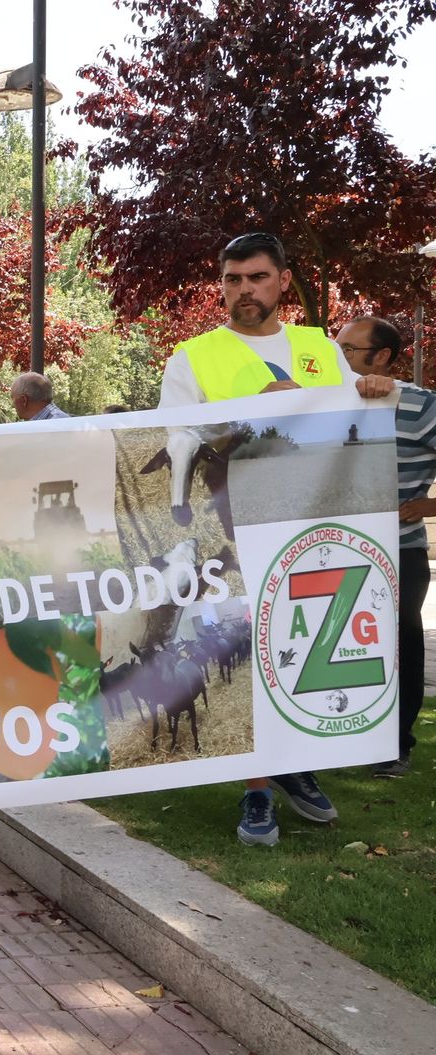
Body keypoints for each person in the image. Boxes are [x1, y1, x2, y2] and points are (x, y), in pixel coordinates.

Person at [157, 232, 394, 846]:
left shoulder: (320, 347)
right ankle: (257, 790)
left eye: (257, 278)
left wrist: (369, 393)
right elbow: (173, 433)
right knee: (246, 647)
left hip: (313, 520)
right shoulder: (193, 357)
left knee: (304, 640)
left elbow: (348, 418)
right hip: (234, 525)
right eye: (233, 280)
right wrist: (246, 409)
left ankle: (294, 762)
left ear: (282, 281)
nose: (245, 291)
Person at [337, 315, 430, 778]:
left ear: (383, 357)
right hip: (331, 553)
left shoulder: (422, 408)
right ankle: (336, 737)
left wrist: (427, 506)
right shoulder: (322, 402)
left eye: (349, 350)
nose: (340, 357)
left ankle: (396, 745)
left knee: (399, 647)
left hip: (400, 553)